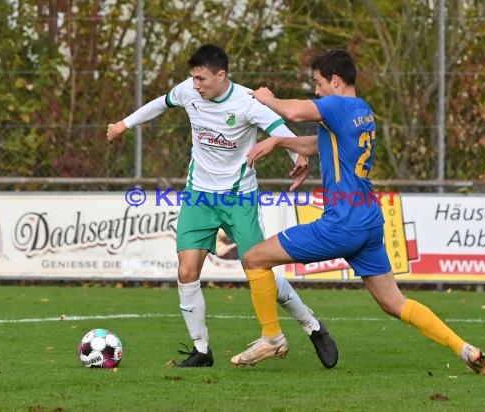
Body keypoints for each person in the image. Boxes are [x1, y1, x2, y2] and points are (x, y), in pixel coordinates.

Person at [236, 48, 485, 375]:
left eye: (318, 83)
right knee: (394, 303)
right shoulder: (362, 110)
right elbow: (320, 145)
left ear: (335, 80)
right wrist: (278, 143)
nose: (316, 91)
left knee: (254, 258)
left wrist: (267, 99)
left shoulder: (335, 105)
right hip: (369, 221)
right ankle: (463, 348)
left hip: (342, 223)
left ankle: (271, 337)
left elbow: (294, 112)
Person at [107, 44, 338, 368]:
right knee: (187, 270)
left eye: (202, 78)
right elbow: (160, 103)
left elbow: (279, 130)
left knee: (258, 267)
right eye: (193, 78)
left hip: (239, 197)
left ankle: (312, 327)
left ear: (221, 75)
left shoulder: (246, 102)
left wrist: (298, 158)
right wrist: (123, 124)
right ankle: (201, 350)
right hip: (198, 195)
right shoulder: (188, 92)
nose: (196, 85)